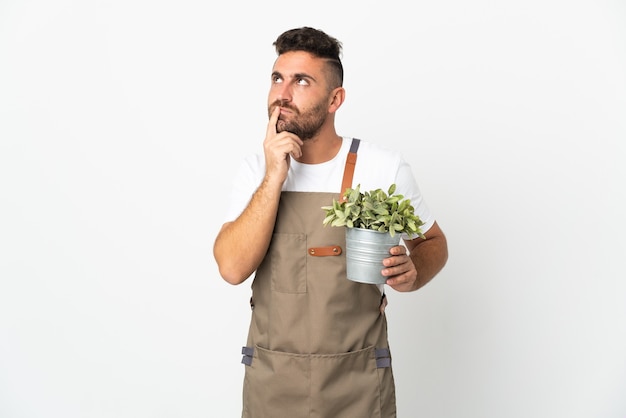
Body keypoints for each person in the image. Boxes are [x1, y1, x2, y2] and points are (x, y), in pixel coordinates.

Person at [213, 26, 448, 418]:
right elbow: (232, 268)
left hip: (356, 385)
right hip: (273, 383)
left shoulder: (381, 166)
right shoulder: (255, 171)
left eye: (301, 81)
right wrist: (274, 175)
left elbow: (433, 242)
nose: (282, 94)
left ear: (335, 98)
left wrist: (415, 271)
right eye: (277, 78)